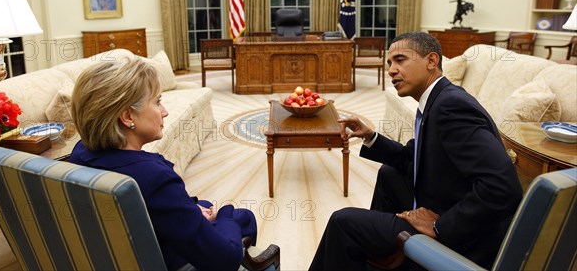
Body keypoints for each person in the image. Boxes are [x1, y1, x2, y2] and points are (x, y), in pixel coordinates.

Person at [309, 32, 522, 271]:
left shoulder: (450, 107)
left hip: (467, 238)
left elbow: (503, 186)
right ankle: (387, 255)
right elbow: (413, 158)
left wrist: (440, 226)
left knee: (343, 221)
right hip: (445, 199)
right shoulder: (436, 100)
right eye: (390, 63)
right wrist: (371, 137)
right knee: (389, 174)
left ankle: (399, 250)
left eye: (400, 60)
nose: (391, 70)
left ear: (431, 61)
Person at [69, 57, 257, 271]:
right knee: (242, 218)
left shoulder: (79, 154)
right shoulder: (154, 178)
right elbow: (224, 261)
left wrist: (189, 208)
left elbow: (153, 207)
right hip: (169, 259)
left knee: (204, 206)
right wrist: (225, 211)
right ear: (128, 116)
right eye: (157, 102)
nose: (165, 111)